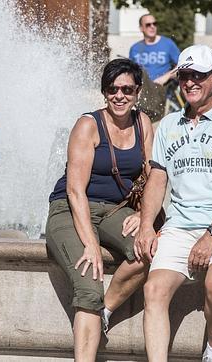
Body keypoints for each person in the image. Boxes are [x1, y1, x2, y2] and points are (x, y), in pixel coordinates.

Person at [134, 45, 212, 362]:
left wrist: (211, 235)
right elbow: (156, 180)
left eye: (199, 76)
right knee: (153, 290)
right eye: (185, 75)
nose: (190, 82)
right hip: (180, 226)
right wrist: (147, 225)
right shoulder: (169, 126)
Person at [45, 58, 153, 360]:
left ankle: (104, 311)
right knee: (89, 283)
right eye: (111, 89)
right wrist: (91, 244)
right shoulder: (88, 125)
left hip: (114, 208)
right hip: (70, 209)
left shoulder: (142, 124)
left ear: (138, 91)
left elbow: (153, 176)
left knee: (149, 249)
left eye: (127, 89)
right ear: (104, 91)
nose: (119, 95)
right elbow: (74, 190)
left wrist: (145, 216)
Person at [129, 14, 180, 86]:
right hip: (142, 89)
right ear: (141, 28)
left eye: (154, 24)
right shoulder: (135, 48)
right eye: (148, 25)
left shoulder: (168, 44)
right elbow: (130, 71)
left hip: (164, 89)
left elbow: (181, 65)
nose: (152, 26)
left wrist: (167, 76)